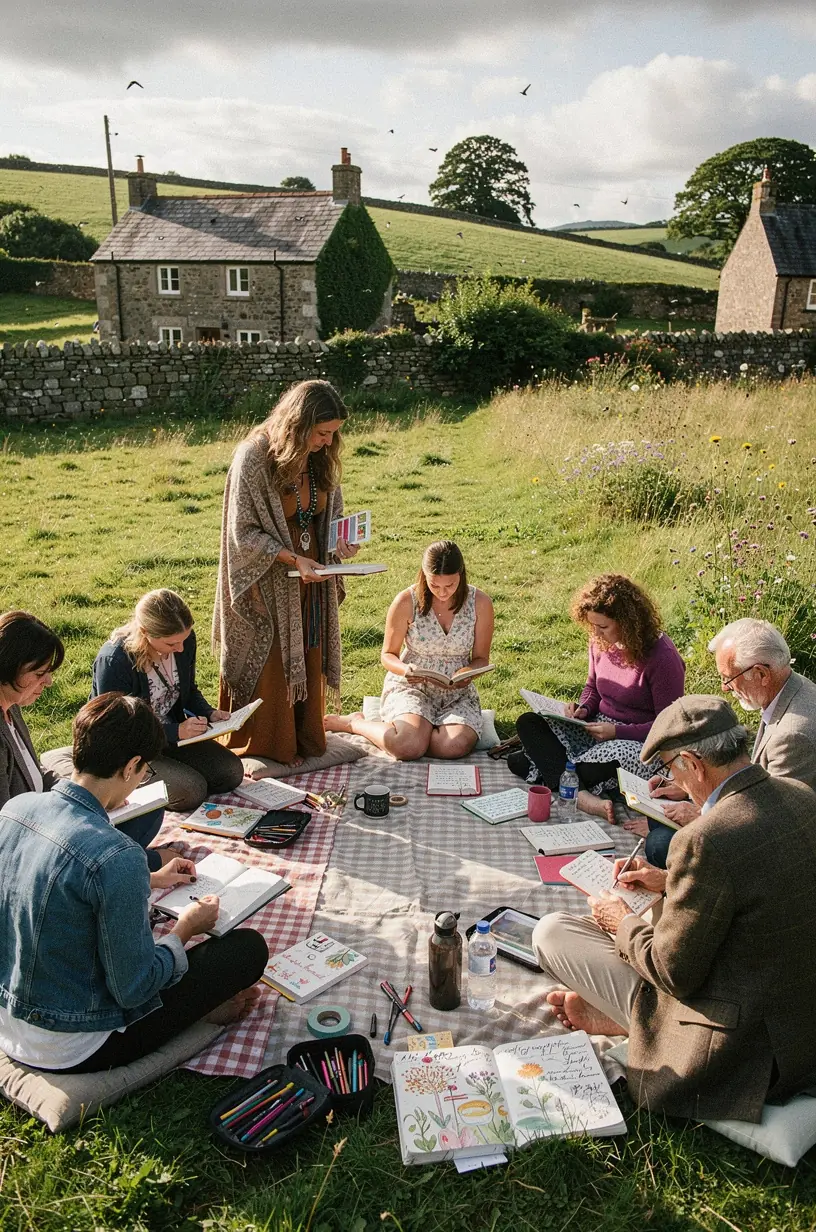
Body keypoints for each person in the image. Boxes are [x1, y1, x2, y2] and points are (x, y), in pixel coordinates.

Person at [533, 695, 816, 1123]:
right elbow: (761, 887)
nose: (672, 781)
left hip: (744, 1051)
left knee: (553, 933)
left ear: (694, 764)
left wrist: (621, 922)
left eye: (670, 769)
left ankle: (637, 1022)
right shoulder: (801, 795)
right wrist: (668, 882)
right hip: (800, 1023)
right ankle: (626, 1013)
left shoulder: (704, 839)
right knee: (650, 911)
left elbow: (673, 972)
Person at [0, 693, 268, 1074]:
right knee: (247, 950)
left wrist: (150, 878)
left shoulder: (14, 809)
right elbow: (135, 987)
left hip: (9, 1019)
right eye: (144, 772)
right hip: (75, 1044)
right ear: (130, 768)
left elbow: (56, 890)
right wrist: (183, 930)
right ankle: (198, 1014)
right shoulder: (118, 855)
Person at [213, 379, 357, 766]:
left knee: (309, 647)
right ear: (299, 424)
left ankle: (304, 737)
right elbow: (242, 532)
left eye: (334, 433)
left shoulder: (320, 458)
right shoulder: (254, 457)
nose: (328, 441)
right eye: (322, 432)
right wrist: (293, 560)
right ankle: (269, 745)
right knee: (274, 660)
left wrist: (340, 543)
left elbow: (329, 514)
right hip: (268, 580)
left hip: (313, 578)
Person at [509, 574, 685, 822]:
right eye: (592, 626)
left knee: (524, 763)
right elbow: (593, 686)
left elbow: (669, 727)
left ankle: (567, 782)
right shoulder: (599, 642)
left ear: (627, 622)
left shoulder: (662, 658)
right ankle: (583, 793)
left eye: (603, 627)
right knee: (529, 723)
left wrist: (617, 732)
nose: (596, 633)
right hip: (597, 727)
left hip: (638, 742)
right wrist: (583, 708)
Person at [644, 618, 816, 868]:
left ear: (761, 674)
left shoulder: (793, 736)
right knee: (659, 824)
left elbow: (772, 824)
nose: (725, 688)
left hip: (781, 857)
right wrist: (692, 783)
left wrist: (701, 815)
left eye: (729, 677)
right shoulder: (792, 688)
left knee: (660, 844)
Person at [1, 610, 167, 867]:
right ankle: (133, 864)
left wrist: (87, 796)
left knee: (148, 812)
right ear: (8, 667)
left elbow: (33, 773)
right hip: (31, 844)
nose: (49, 681)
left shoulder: (12, 707)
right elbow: (8, 826)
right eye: (39, 673)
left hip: (51, 818)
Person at [325, 541, 494, 760]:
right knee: (407, 747)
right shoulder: (406, 601)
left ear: (461, 574)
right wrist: (406, 670)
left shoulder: (480, 602)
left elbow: (481, 658)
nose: (443, 592)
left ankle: (422, 733)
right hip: (412, 686)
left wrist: (467, 673)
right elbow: (388, 655)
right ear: (424, 575)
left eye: (450, 585)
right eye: (435, 585)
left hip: (457, 693)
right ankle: (355, 723)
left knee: (453, 747)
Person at [84, 589, 245, 813]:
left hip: (170, 739)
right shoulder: (115, 661)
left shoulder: (183, 642)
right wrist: (175, 732)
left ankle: (172, 771)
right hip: (131, 750)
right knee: (191, 791)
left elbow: (187, 689)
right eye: (171, 644)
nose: (180, 649)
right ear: (145, 633)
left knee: (231, 772)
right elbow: (118, 727)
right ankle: (124, 783)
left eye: (183, 640)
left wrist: (209, 712)